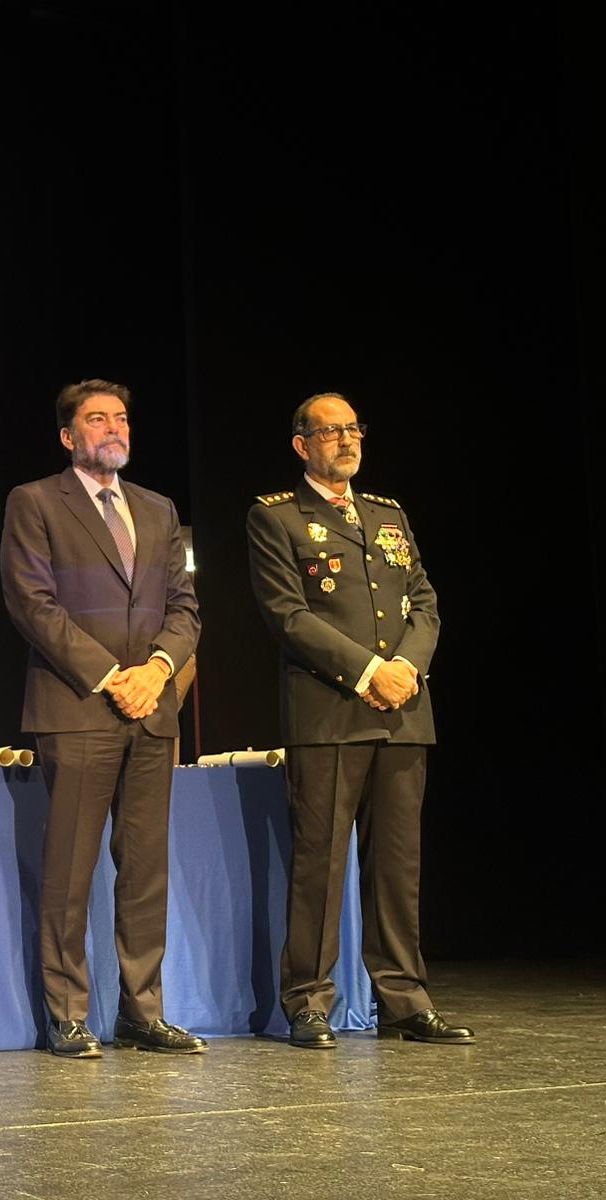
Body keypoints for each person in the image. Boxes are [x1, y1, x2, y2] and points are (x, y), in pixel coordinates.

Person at [246, 391, 473, 1048]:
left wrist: (404, 668)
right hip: (331, 715)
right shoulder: (278, 518)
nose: (347, 440)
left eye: (354, 430)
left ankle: (403, 998)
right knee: (320, 861)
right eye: (331, 431)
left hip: (404, 713)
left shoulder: (388, 514)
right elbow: (289, 616)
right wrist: (370, 673)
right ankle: (309, 1002)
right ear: (302, 444)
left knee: (398, 863)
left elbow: (424, 603)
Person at [0, 379, 204, 1057]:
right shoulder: (34, 502)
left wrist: (157, 671)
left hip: (152, 711)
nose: (113, 428)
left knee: (145, 870)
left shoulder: (158, 509)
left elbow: (185, 607)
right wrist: (114, 677)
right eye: (96, 420)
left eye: (120, 417)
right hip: (78, 708)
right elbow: (33, 605)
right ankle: (67, 1014)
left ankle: (143, 1012)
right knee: (70, 872)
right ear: (68, 436)